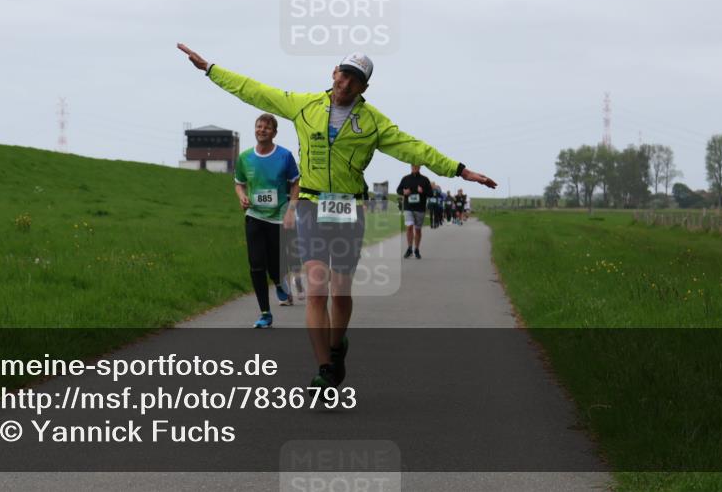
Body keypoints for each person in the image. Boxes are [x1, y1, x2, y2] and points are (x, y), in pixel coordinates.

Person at [177, 44, 497, 387]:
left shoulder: (373, 122)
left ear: (363, 88)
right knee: (317, 288)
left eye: (355, 79)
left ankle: (336, 344)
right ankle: (325, 369)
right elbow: (255, 91)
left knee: (340, 290)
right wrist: (210, 69)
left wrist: (460, 171)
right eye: (344, 74)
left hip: (348, 207)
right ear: (333, 72)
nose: (346, 83)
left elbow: (415, 147)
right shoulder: (304, 106)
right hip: (311, 206)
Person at [234, 114, 300, 327]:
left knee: (274, 264)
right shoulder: (245, 158)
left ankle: (280, 282)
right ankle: (265, 313)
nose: (262, 130)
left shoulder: (284, 156)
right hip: (254, 216)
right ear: (255, 129)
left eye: (267, 127)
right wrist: (242, 197)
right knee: (255, 264)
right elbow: (239, 183)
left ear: (274, 132)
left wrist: (291, 209)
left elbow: (295, 184)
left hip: (278, 219)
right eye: (259, 126)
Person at [396, 165, 432, 259]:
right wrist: (404, 192)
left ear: (419, 167)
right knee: (409, 226)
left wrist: (423, 191)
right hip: (408, 207)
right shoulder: (406, 179)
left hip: (420, 208)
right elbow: (398, 190)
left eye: (416, 166)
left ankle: (416, 249)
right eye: (413, 166)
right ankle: (409, 248)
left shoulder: (425, 179)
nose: (414, 168)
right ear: (411, 167)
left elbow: (431, 193)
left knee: (418, 229)